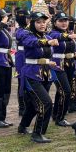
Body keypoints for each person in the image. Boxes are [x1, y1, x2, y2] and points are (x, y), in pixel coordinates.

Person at [17, 10, 58, 143]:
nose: (42, 24)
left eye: (44, 22)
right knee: (45, 103)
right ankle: (37, 133)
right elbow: (31, 43)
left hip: (45, 74)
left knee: (32, 104)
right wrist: (47, 43)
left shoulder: (47, 36)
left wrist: (50, 62)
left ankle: (23, 126)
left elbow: (46, 53)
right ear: (32, 22)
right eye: (38, 22)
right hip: (31, 74)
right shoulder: (27, 35)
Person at [48, 12, 76, 127]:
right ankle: (60, 118)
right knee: (66, 91)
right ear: (55, 23)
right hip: (57, 66)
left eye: (65, 20)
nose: (64, 23)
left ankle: (56, 114)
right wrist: (68, 36)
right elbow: (56, 37)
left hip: (69, 65)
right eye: (60, 21)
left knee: (62, 92)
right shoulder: (53, 33)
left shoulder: (68, 33)